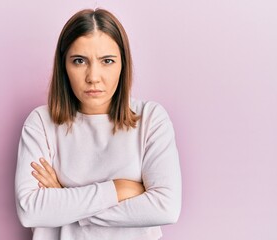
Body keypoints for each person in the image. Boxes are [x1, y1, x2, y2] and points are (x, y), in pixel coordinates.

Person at [15, 8, 182, 240]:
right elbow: (29, 210)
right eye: (79, 61)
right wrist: (119, 189)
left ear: (123, 64)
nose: (93, 76)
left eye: (107, 61)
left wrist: (65, 202)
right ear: (64, 65)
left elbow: (166, 207)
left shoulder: (151, 119)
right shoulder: (41, 123)